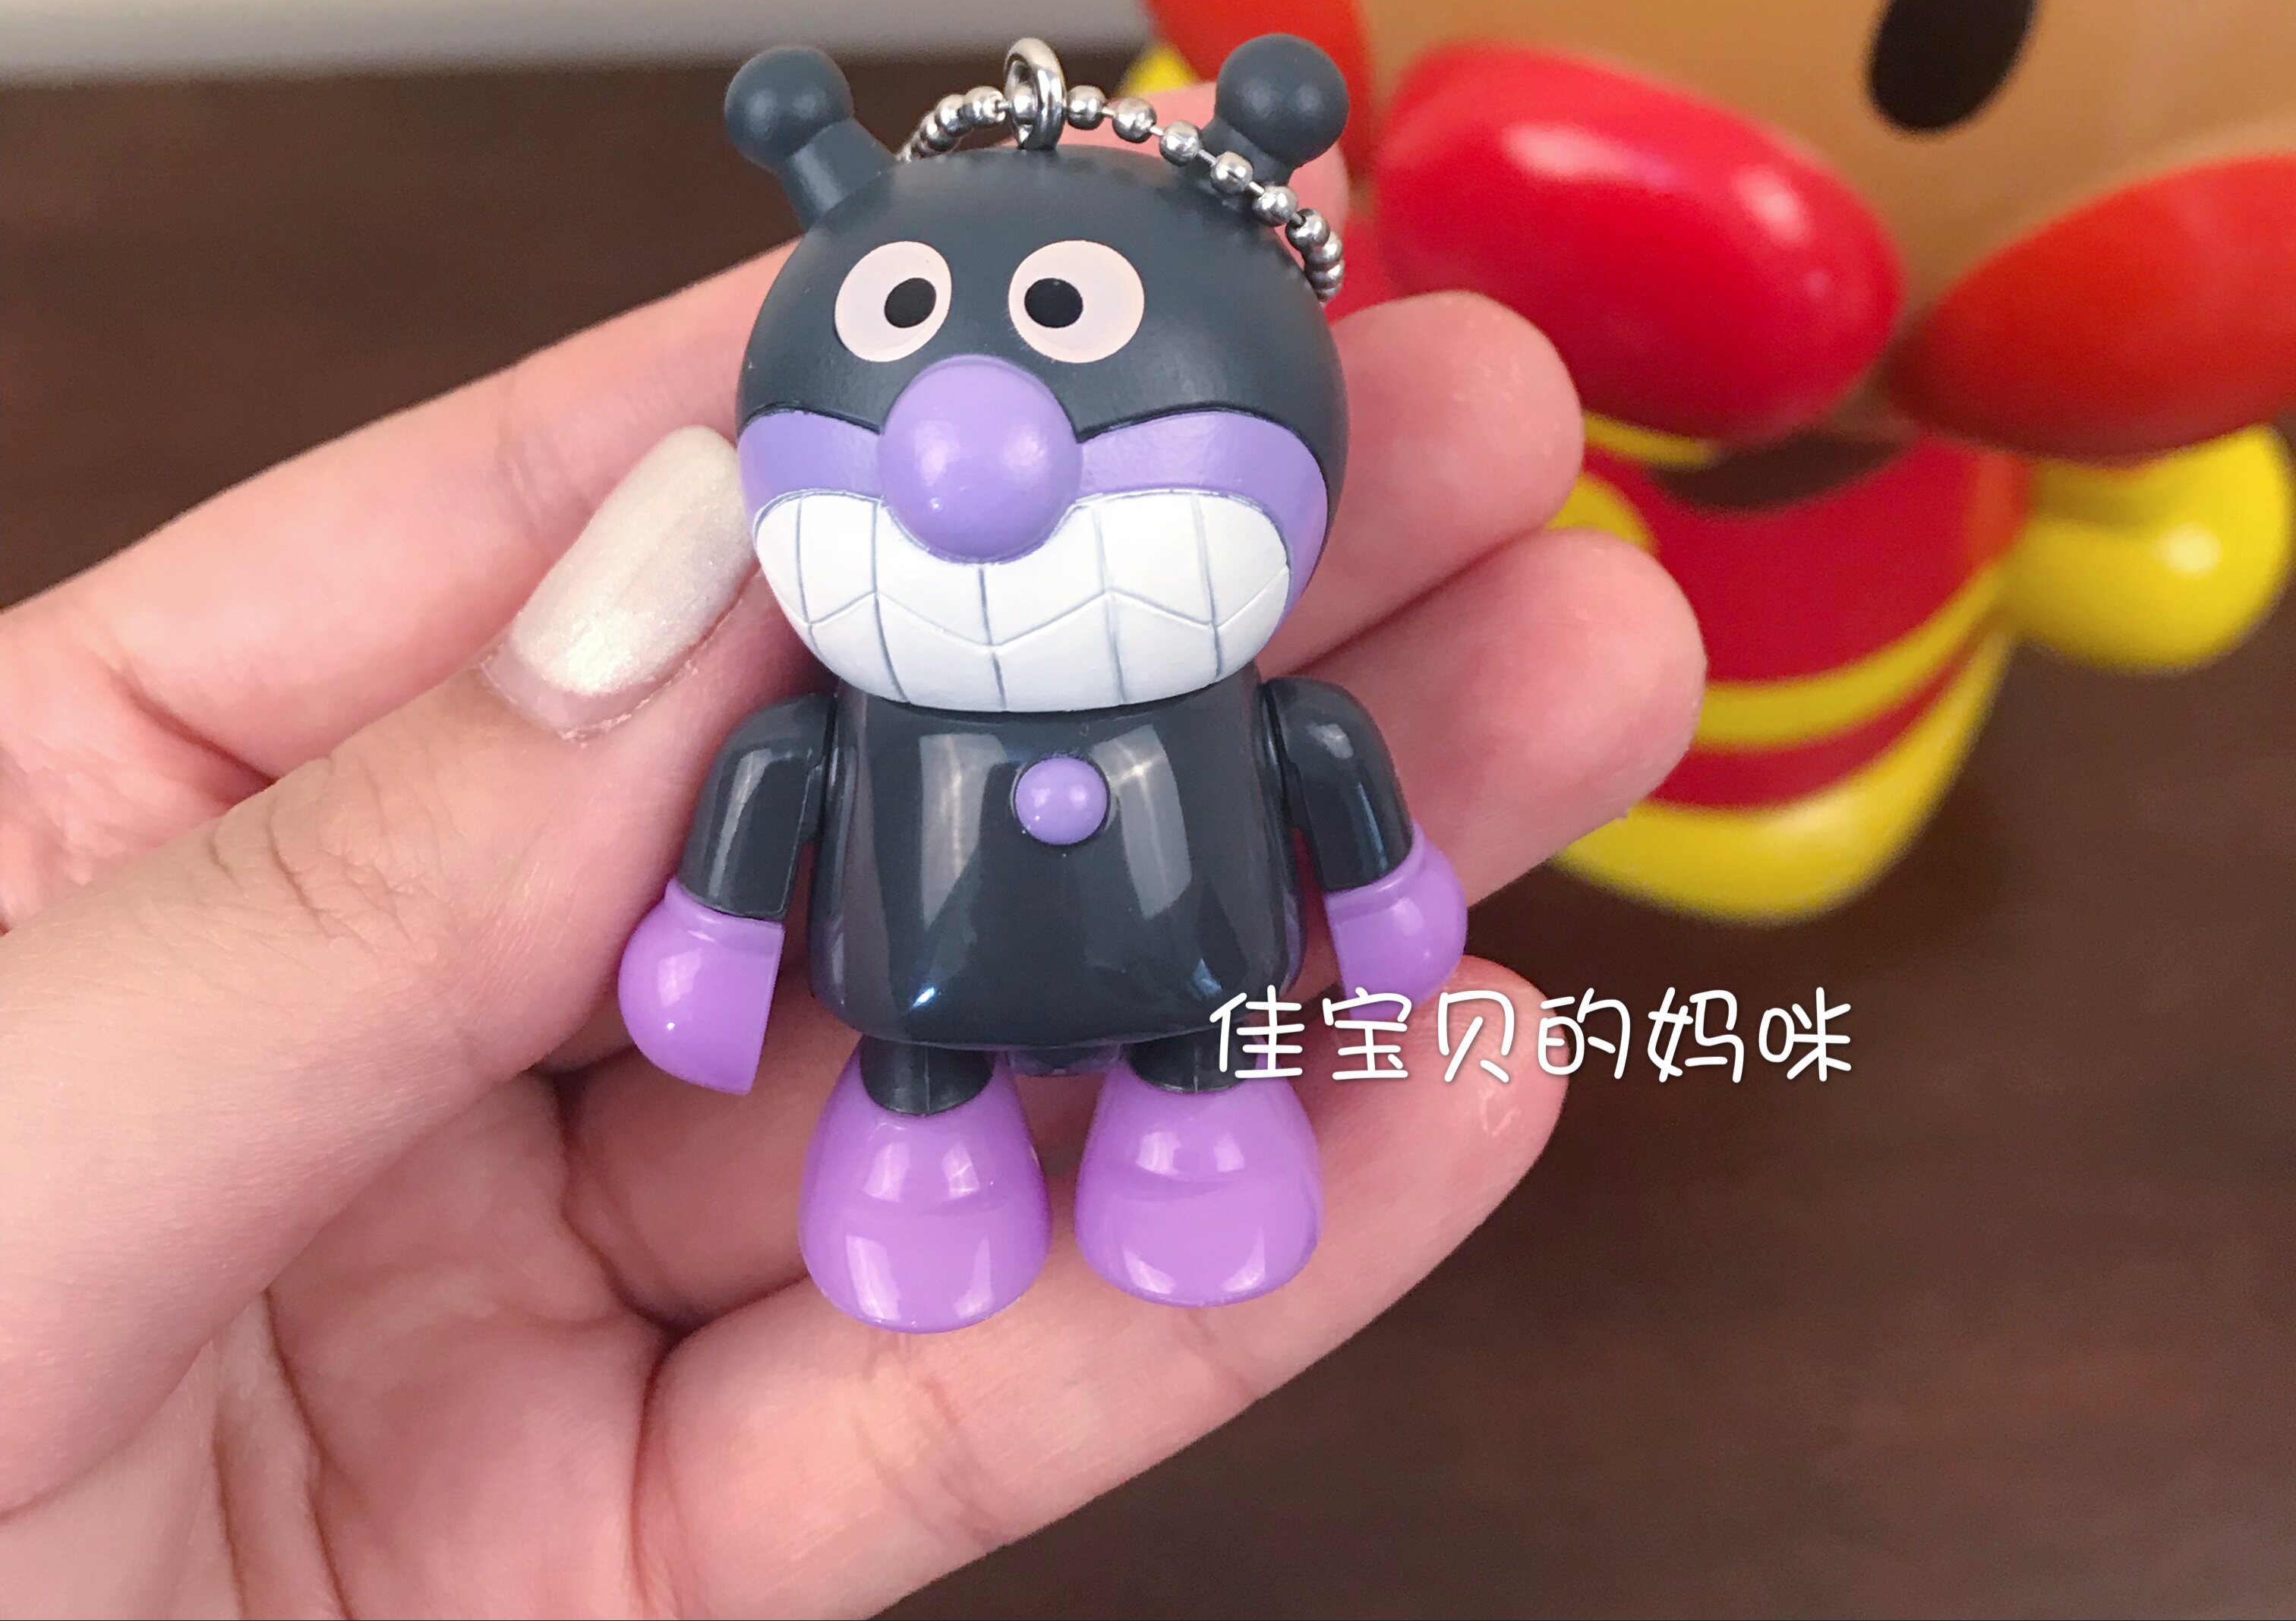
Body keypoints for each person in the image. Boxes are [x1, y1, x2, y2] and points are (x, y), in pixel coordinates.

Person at [0, 101, 1701, 1613]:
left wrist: (1393, 903)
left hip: (1197, 984)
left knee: (1195, 1057)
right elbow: (766, 783)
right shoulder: (852, 716)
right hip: (917, 1006)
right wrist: (708, 943)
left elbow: (1327, 759)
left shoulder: (1239, 705)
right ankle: (929, 1183)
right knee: (916, 1071)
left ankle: (1193, 1152)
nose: (980, 465)